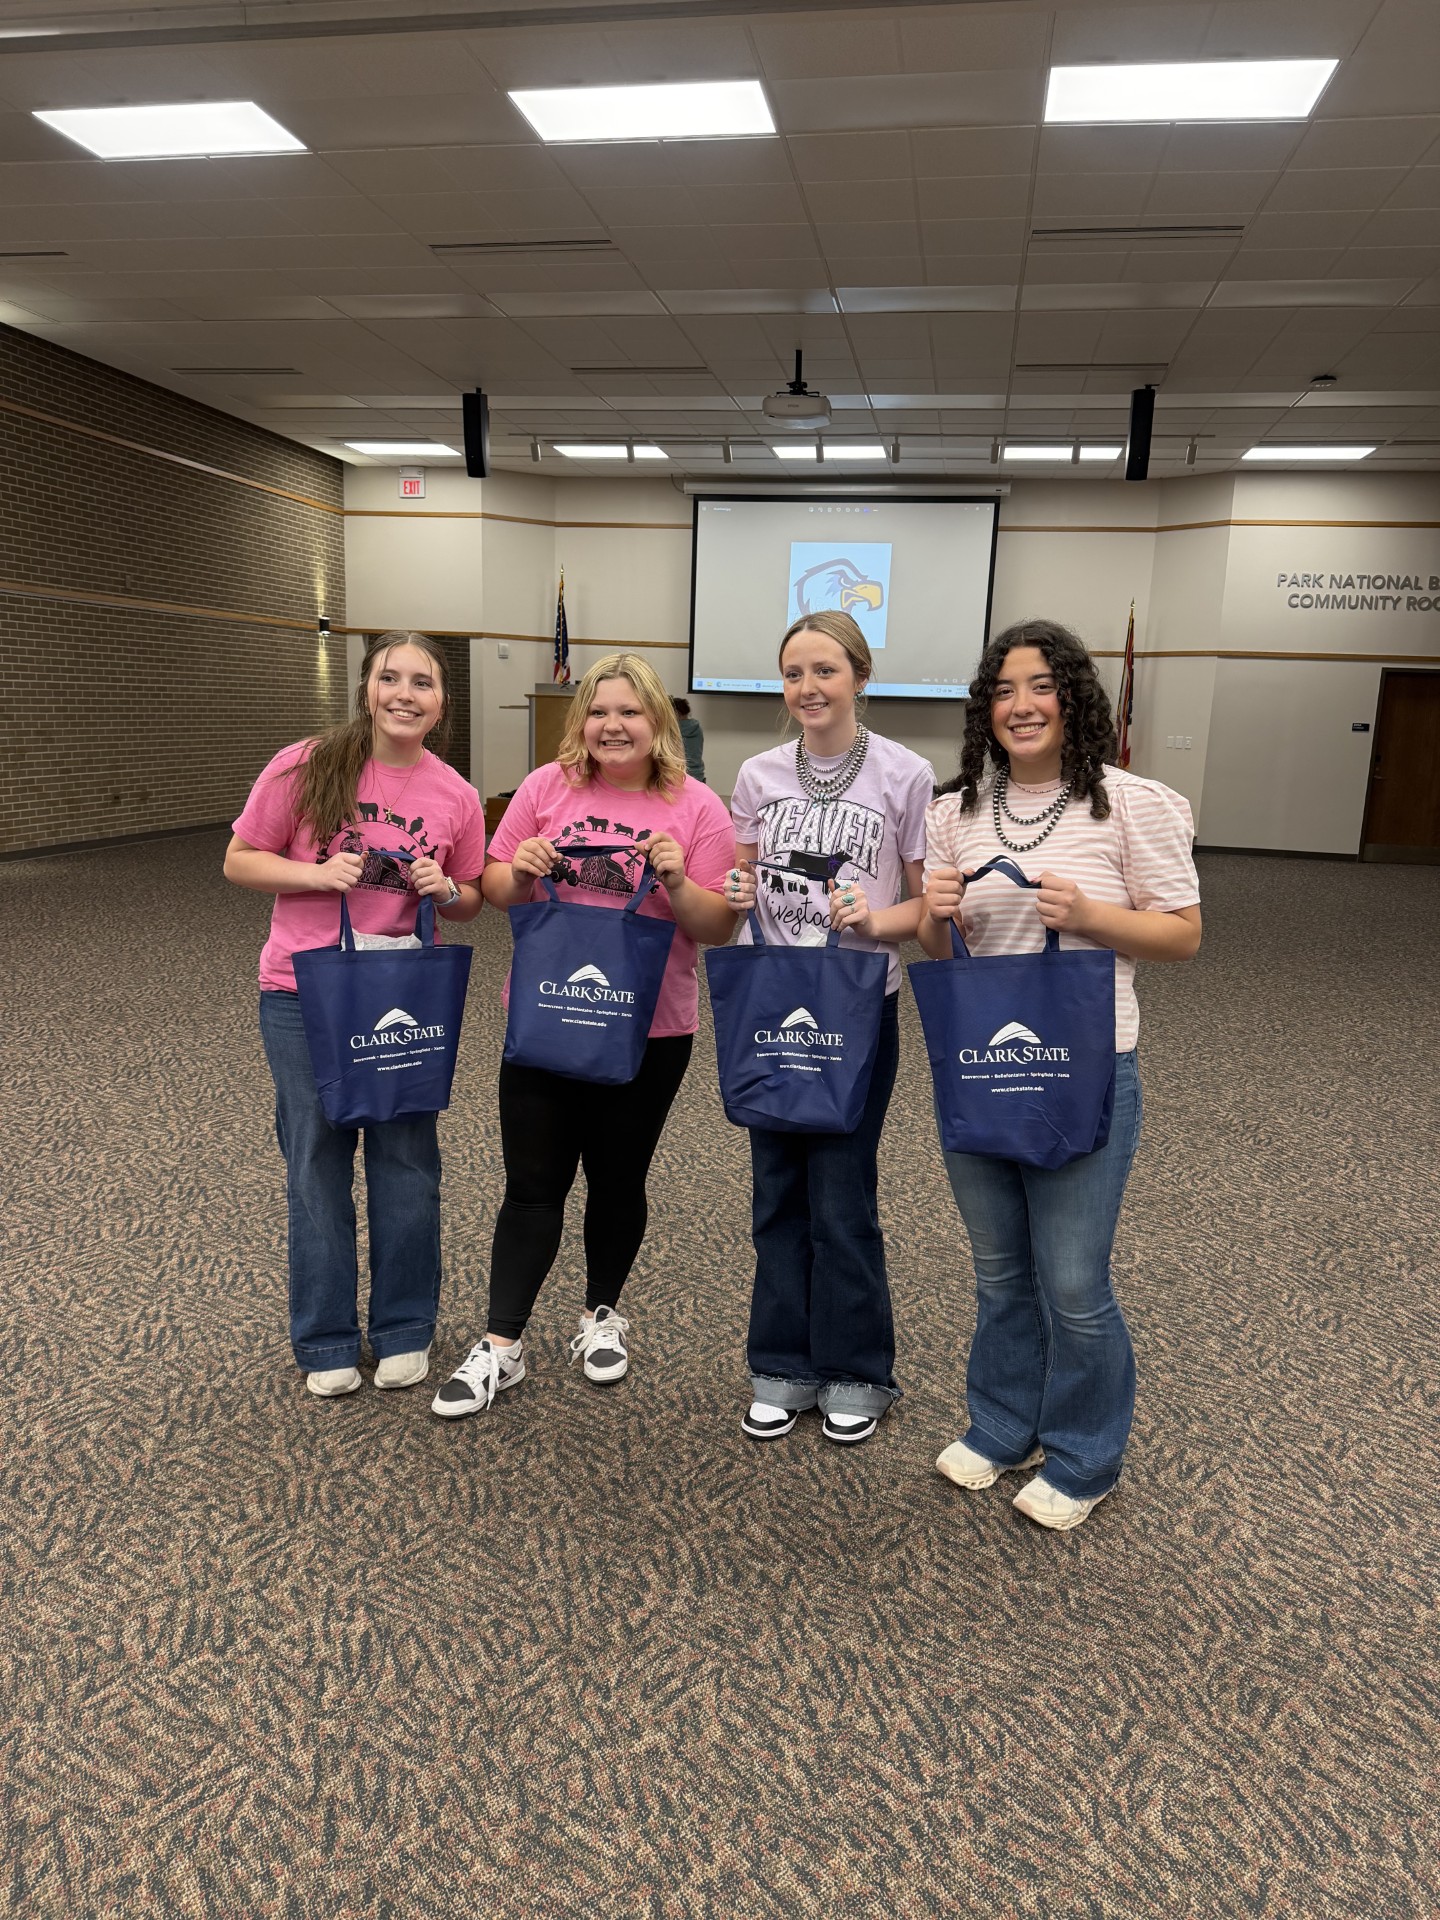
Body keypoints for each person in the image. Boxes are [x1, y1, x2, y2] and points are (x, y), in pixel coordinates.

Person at [919, 618, 1202, 1529]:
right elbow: (940, 950)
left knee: (1074, 1283)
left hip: (1087, 1073)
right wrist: (935, 912)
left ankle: (1085, 1453)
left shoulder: (1131, 803)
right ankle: (1003, 1425)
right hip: (981, 1067)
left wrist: (1091, 913)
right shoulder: (955, 811)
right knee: (999, 1273)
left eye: (1040, 685)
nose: (1021, 704)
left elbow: (1182, 935)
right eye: (1002, 690)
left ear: (1073, 696)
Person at [432, 653, 737, 1419]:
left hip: (651, 1028)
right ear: (582, 722)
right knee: (532, 1183)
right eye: (600, 712)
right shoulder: (545, 789)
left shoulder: (698, 806)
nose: (614, 725)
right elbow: (498, 892)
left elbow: (718, 929)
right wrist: (522, 868)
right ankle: (502, 1344)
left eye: (631, 712)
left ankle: (602, 1314)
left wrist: (675, 881)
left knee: (618, 1178)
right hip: (545, 1017)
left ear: (658, 723)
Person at [225, 632, 486, 1398]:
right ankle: (327, 1335)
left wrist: (444, 887)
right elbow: (240, 859)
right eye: (390, 677)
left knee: (407, 1165)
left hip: (400, 998)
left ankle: (405, 1327)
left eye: (423, 683)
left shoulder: (456, 795)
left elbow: (470, 901)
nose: (405, 693)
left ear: (442, 702)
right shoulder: (307, 763)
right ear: (367, 688)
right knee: (316, 1163)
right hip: (302, 995)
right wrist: (316, 873)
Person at [726, 611, 934, 1446]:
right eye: (793, 674)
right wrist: (735, 893)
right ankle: (781, 1362)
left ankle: (857, 1369)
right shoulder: (757, 773)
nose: (807, 688)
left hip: (856, 999)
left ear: (859, 675)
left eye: (824, 671)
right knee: (776, 1183)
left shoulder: (906, 774)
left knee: (842, 1191)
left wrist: (877, 919)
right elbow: (738, 874)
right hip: (771, 999)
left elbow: (926, 908)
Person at [672, 697, 706, 783]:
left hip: (679, 776)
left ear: (676, 713)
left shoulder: (673, 729)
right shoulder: (697, 727)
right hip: (698, 775)